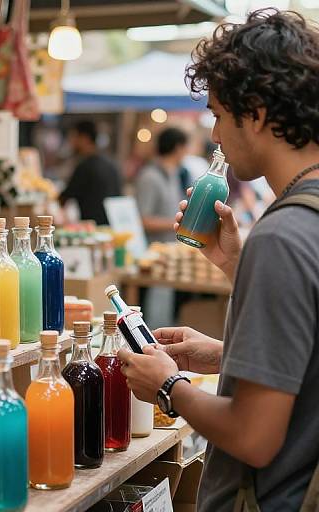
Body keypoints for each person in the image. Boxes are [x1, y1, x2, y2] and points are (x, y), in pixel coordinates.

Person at [118, 9, 319, 511]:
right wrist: (237, 271)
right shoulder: (300, 221)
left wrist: (168, 385)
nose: (214, 135)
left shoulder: (284, 234)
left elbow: (254, 436)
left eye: (218, 114)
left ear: (254, 112)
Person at [59, 120, 121, 226]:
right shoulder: (111, 164)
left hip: (92, 230)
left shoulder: (85, 166)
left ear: (84, 138)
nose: (71, 141)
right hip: (112, 227)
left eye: (74, 137)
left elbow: (64, 198)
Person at [135, 127, 188, 243]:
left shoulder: (174, 174)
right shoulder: (149, 177)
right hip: (153, 251)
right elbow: (143, 220)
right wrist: (180, 224)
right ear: (178, 148)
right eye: (186, 148)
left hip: (170, 248)